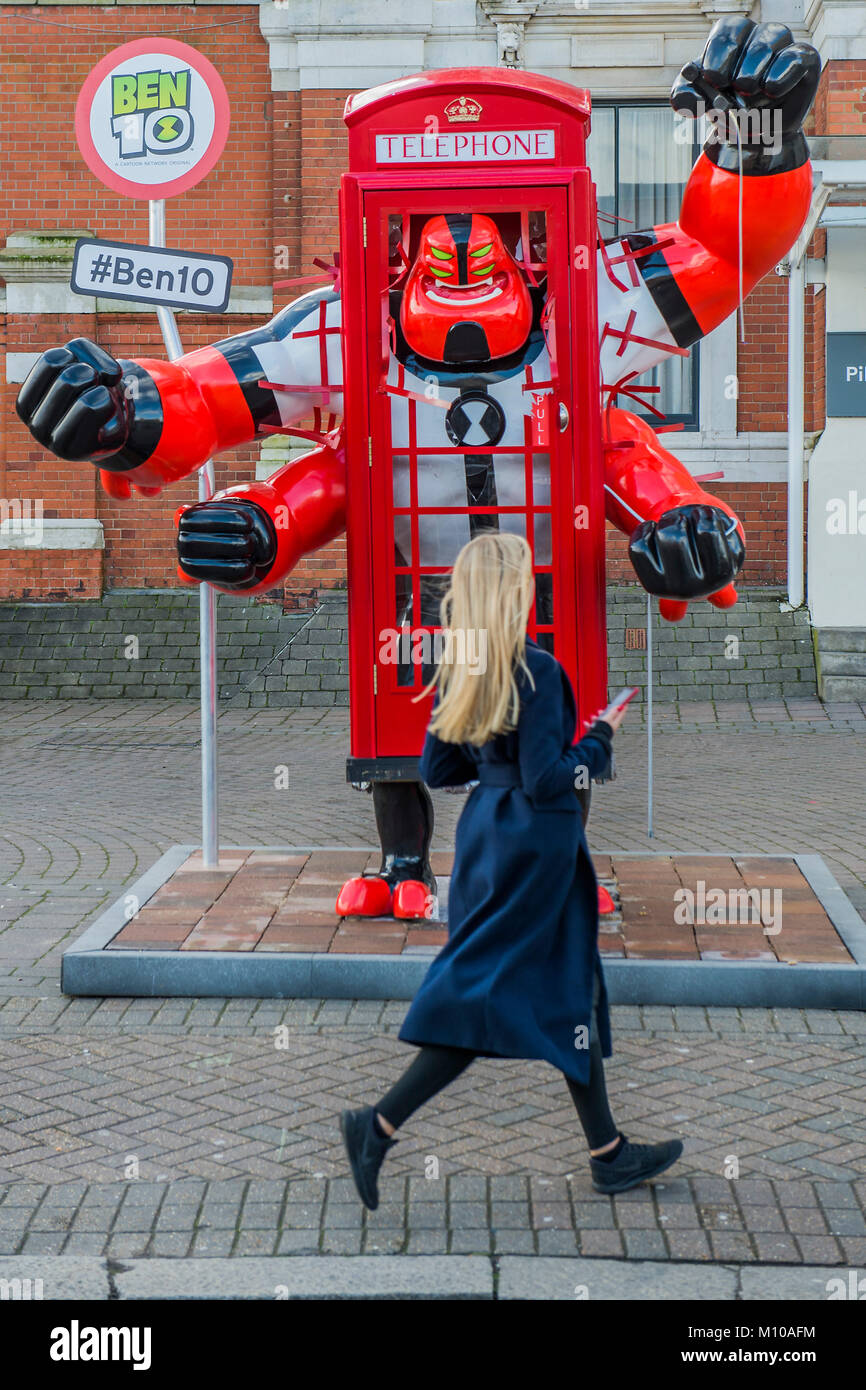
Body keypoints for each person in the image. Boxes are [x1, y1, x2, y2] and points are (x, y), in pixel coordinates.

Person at [340, 533, 683, 1208]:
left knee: (565, 987)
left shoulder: (468, 665)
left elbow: (438, 770)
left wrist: (494, 768)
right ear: (516, 593)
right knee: (489, 997)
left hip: (487, 841)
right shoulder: (539, 669)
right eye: (527, 580)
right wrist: (602, 736)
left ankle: (608, 1152)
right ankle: (374, 1126)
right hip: (536, 848)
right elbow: (551, 781)